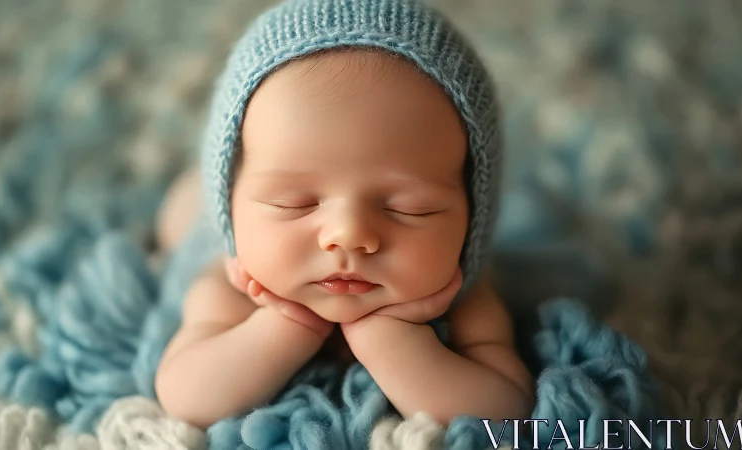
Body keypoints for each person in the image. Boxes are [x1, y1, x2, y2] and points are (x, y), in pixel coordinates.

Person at [153, 0, 534, 431]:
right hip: (201, 216)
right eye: (293, 202)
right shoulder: (226, 288)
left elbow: (506, 411)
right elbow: (186, 398)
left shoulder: (466, 297)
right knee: (180, 216)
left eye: (408, 207)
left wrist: (390, 338)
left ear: (473, 217)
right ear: (232, 204)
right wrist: (287, 325)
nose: (348, 235)